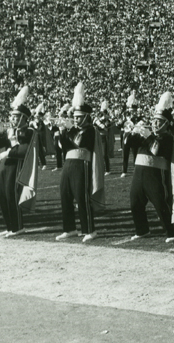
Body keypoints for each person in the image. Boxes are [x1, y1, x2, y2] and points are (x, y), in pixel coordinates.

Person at [127, 91, 174, 243]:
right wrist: (133, 132)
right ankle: (142, 230)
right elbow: (128, 144)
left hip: (155, 174)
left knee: (160, 204)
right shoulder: (147, 135)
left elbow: (156, 150)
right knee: (135, 202)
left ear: (166, 124)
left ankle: (171, 232)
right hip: (139, 173)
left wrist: (148, 136)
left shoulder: (168, 138)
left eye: (159, 121)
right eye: (154, 120)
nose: (155, 123)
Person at [55, 83, 105, 243]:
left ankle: (90, 229)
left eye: (78, 117)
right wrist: (62, 132)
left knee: (82, 197)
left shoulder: (90, 130)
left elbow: (79, 142)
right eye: (74, 117)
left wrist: (69, 130)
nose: (75, 119)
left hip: (81, 164)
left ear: (85, 117)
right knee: (65, 196)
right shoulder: (74, 130)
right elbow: (64, 147)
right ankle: (69, 228)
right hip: (69, 163)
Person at [0, 86, 40, 237]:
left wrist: (8, 152)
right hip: (5, 166)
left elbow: (24, 150)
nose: (12, 119)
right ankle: (9, 226)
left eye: (15, 116)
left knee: (11, 195)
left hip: (17, 166)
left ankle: (18, 226)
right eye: (12, 116)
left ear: (23, 118)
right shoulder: (11, 130)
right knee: (2, 196)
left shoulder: (29, 131)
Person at [121, 91, 143, 178]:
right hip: (127, 136)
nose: (133, 112)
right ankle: (124, 171)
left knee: (135, 155)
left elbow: (141, 125)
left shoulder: (138, 117)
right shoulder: (125, 116)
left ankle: (136, 170)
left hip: (135, 137)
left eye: (134, 110)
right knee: (125, 155)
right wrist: (124, 121)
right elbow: (120, 126)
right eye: (131, 110)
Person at [94, 100, 113, 175]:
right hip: (98, 135)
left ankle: (107, 169)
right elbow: (95, 122)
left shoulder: (107, 116)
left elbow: (109, 123)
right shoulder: (99, 115)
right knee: (98, 153)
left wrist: (106, 124)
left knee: (105, 154)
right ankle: (101, 168)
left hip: (104, 136)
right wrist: (102, 124)